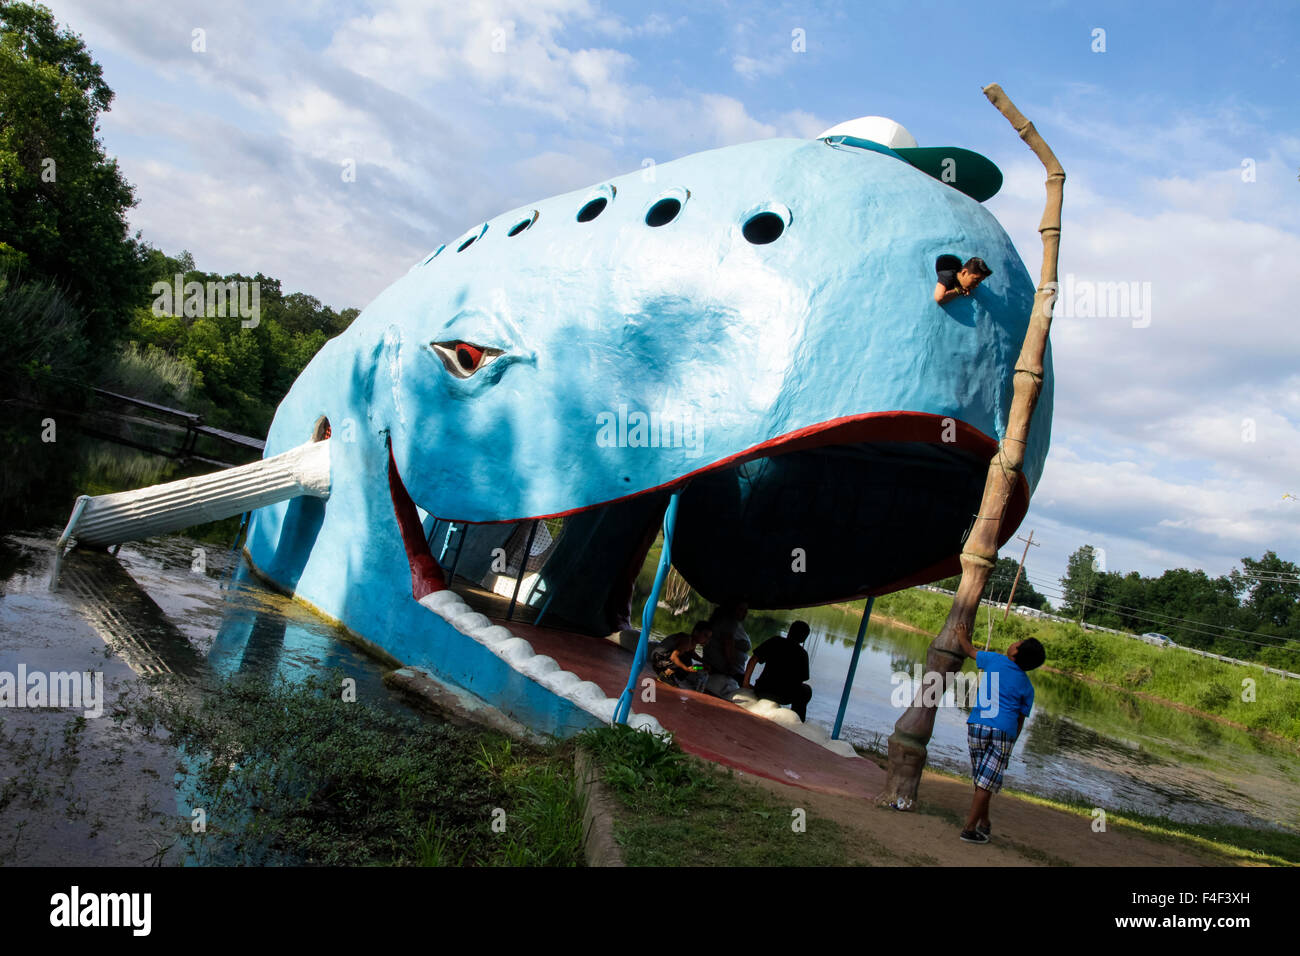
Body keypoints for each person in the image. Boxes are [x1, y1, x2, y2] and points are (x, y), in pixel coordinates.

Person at [952, 633, 1045, 844]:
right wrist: (1011, 744)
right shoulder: (1027, 687)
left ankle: (974, 827)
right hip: (1004, 731)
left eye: (1018, 642)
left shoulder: (995, 660)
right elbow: (1020, 720)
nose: (1014, 642)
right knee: (985, 782)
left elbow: (969, 650)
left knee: (981, 780)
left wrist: (961, 634)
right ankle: (977, 824)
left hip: (977, 725)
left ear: (1015, 652)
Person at [742, 620, 813, 721]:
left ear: (789, 631)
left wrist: (746, 682)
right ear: (803, 639)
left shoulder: (775, 641)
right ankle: (798, 720)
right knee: (806, 690)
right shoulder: (802, 654)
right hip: (784, 697)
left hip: (762, 690)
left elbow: (753, 660)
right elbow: (801, 680)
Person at [702, 600, 750, 698]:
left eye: (746, 610)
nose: (745, 613)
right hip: (723, 669)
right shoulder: (729, 622)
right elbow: (728, 642)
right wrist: (730, 666)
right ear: (733, 609)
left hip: (717, 666)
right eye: (741, 609)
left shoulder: (726, 621)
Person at [651, 621, 712, 691]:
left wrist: (704, 662)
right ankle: (665, 674)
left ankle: (667, 674)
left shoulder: (692, 643)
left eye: (709, 638)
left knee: (688, 660)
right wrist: (686, 668)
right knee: (685, 661)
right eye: (705, 636)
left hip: (662, 658)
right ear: (696, 632)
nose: (707, 640)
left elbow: (692, 654)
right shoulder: (687, 640)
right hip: (658, 657)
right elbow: (673, 657)